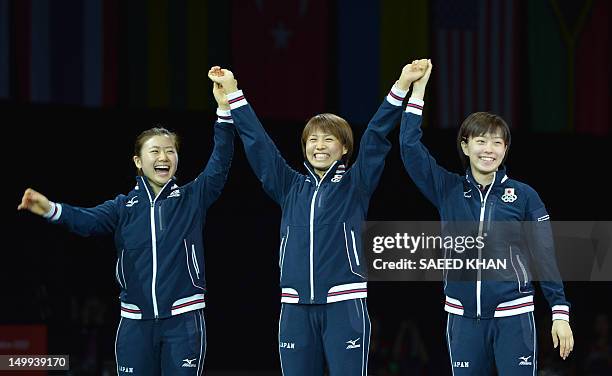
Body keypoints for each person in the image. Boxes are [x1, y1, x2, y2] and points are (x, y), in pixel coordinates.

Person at [208, 62, 426, 375]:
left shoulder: (356, 184)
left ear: (345, 148)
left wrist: (402, 85)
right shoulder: (290, 186)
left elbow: (377, 134)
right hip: (294, 307)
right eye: (312, 139)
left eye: (328, 139)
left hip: (344, 305)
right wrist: (233, 92)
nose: (319, 146)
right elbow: (259, 145)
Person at [17, 82, 235, 375]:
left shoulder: (191, 199)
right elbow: (87, 221)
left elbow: (220, 162)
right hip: (134, 324)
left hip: (183, 321)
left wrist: (223, 110)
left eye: (170, 151)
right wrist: (50, 209)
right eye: (155, 151)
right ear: (138, 161)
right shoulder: (123, 207)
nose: (164, 158)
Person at [399, 59, 574, 375]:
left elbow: (545, 256)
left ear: (506, 149)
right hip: (463, 319)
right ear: (465, 146)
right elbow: (409, 148)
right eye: (480, 140)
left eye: (497, 142)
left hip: (515, 317)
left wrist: (559, 312)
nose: (489, 149)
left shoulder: (524, 196)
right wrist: (419, 90)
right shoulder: (447, 190)